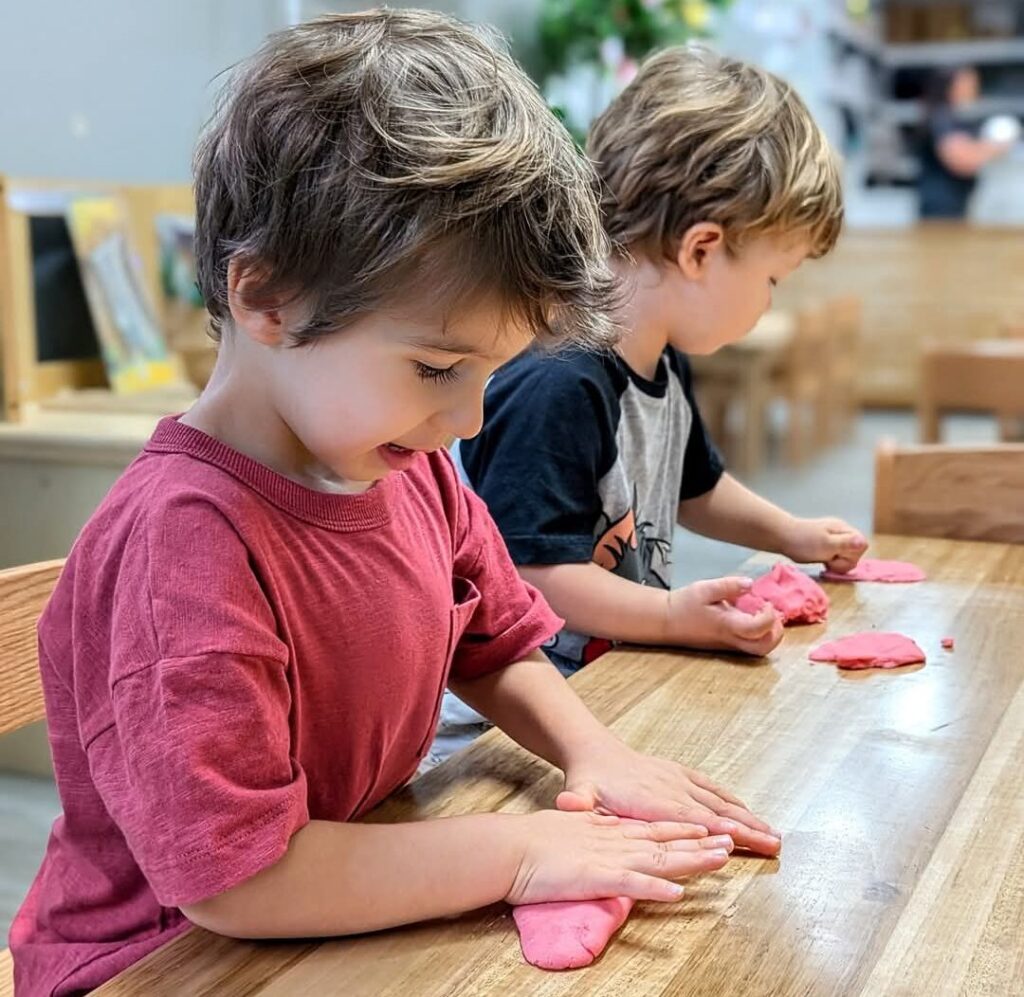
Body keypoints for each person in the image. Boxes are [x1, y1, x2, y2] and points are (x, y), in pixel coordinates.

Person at [10, 14, 781, 996]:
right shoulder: (183, 546)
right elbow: (239, 881)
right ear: (269, 297)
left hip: (347, 908)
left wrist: (594, 750)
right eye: (436, 368)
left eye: (486, 376)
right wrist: (516, 852)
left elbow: (498, 637)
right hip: (163, 963)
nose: (465, 421)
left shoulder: (399, 462)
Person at [458, 45, 866, 680]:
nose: (767, 302)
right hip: (512, 729)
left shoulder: (662, 355)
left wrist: (791, 534)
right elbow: (532, 573)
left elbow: (693, 488)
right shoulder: (559, 377)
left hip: (608, 685)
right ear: (701, 249)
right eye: (773, 280)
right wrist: (674, 614)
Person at [918, 66, 1012, 219]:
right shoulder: (942, 117)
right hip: (940, 209)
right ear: (951, 86)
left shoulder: (961, 118)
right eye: (966, 84)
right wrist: (996, 147)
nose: (972, 89)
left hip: (959, 203)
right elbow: (961, 161)